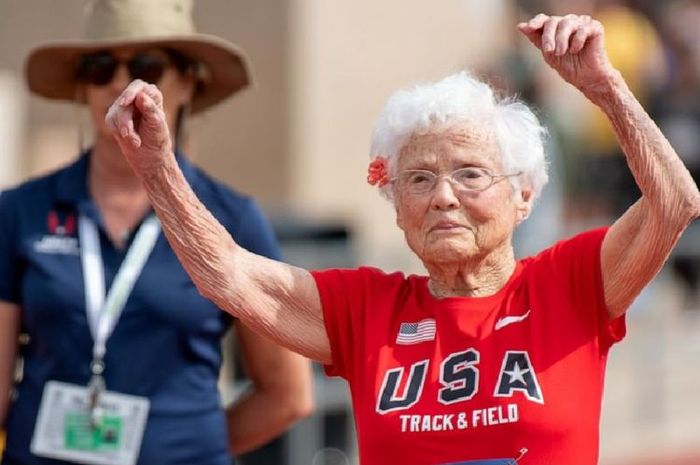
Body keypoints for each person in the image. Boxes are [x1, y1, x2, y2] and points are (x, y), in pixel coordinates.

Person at [106, 12, 700, 465]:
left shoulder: (570, 284)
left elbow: (675, 201)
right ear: (396, 208)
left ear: (524, 195)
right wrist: (157, 167)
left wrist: (604, 88)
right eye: (418, 178)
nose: (443, 196)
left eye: (470, 173)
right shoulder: (366, 310)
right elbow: (228, 274)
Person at [0, 1, 312, 464]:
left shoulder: (234, 219)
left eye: (146, 66)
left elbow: (288, 395)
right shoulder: (19, 211)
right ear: (82, 86)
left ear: (187, 84)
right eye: (100, 66)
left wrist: (187, 448)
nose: (119, 84)